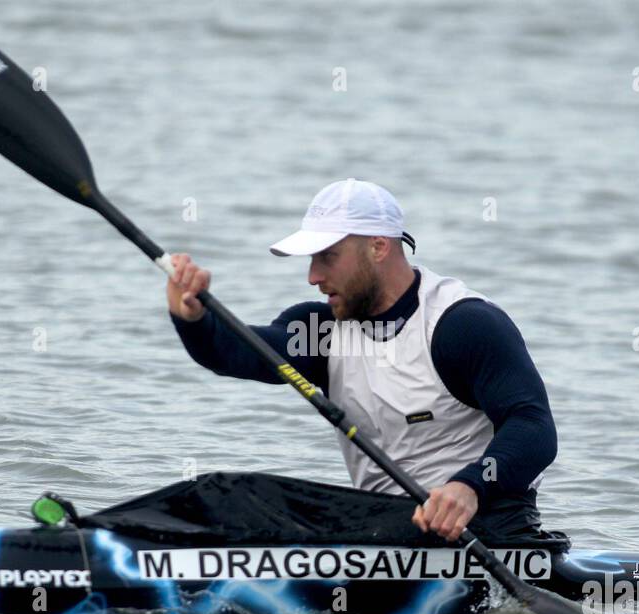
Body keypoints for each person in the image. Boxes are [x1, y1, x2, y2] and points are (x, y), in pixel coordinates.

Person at [166, 179, 562, 547]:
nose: (312, 276)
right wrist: (194, 318)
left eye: (327, 257)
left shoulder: (461, 325)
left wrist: (470, 487)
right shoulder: (321, 331)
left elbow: (533, 426)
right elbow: (238, 352)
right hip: (387, 528)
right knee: (241, 498)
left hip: (488, 531)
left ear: (378, 247)